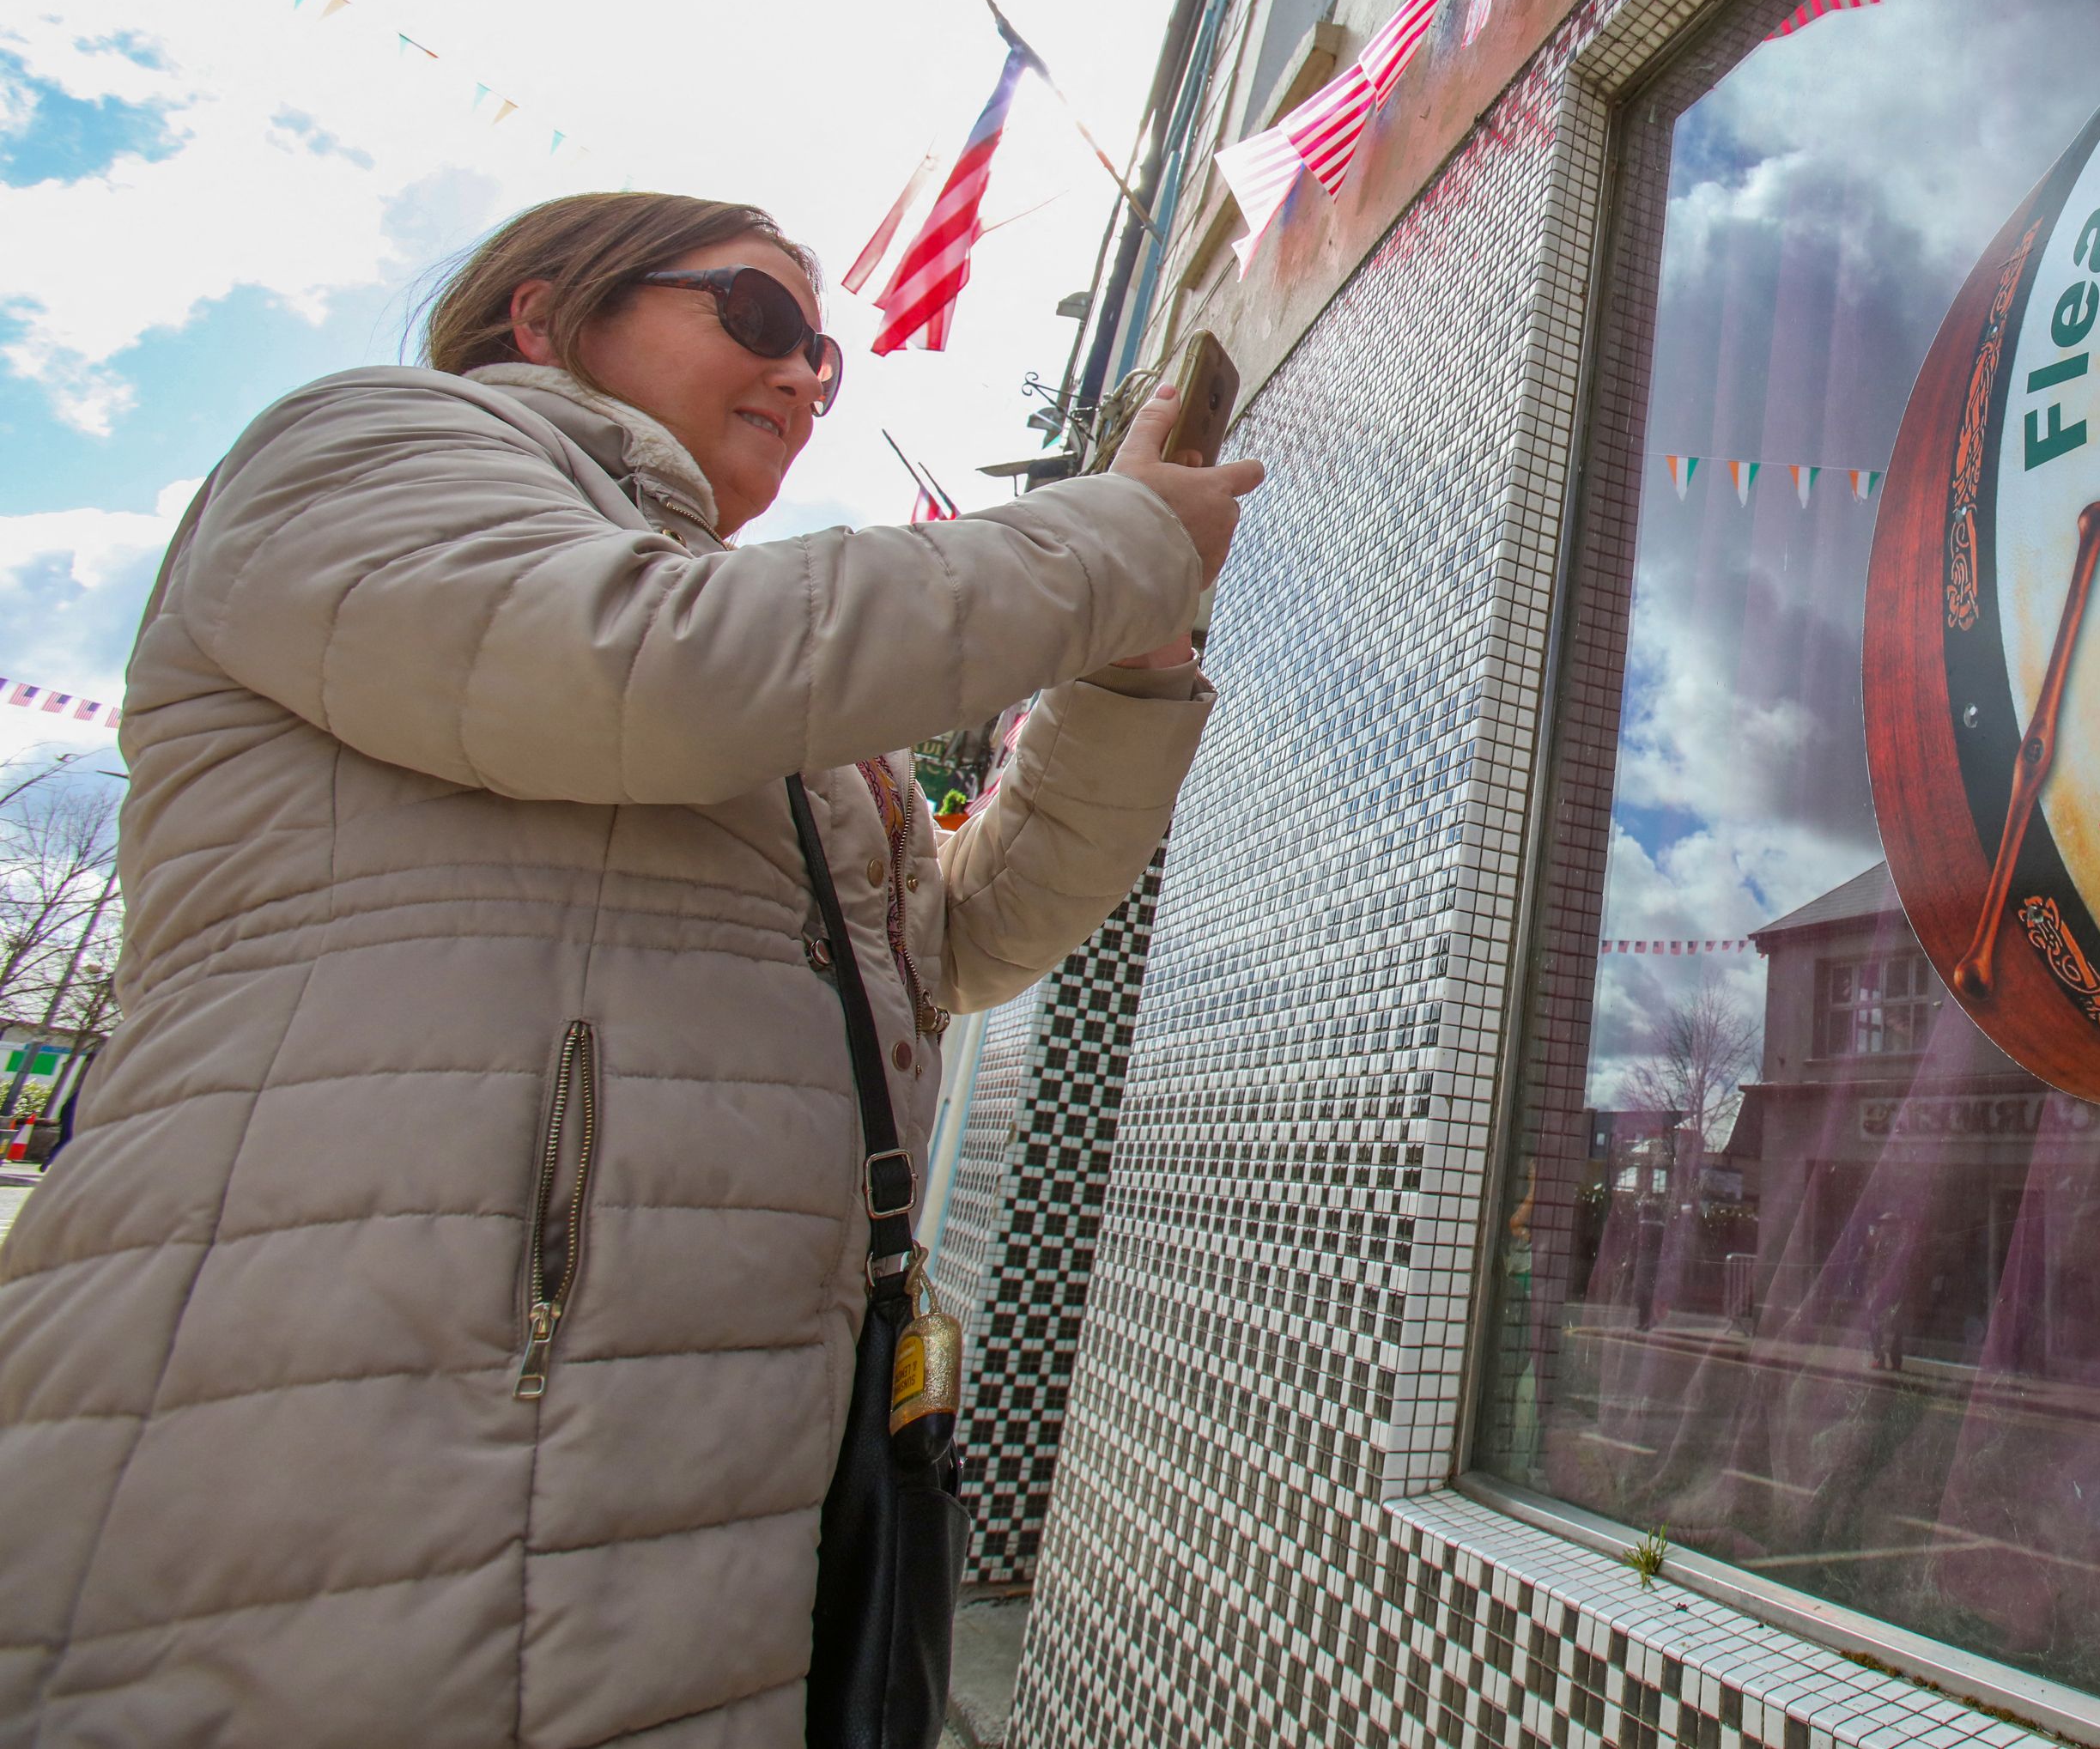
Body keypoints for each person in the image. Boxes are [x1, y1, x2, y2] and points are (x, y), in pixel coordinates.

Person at [0, 192, 1260, 1745]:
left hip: (689, 1475)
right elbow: (645, 670)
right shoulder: (367, 446)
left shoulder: (777, 675)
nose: (805, 376)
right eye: (754, 318)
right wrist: (1115, 539)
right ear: (547, 315)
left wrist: (1129, 666)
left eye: (827, 352)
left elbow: (971, 938)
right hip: (329, 1454)